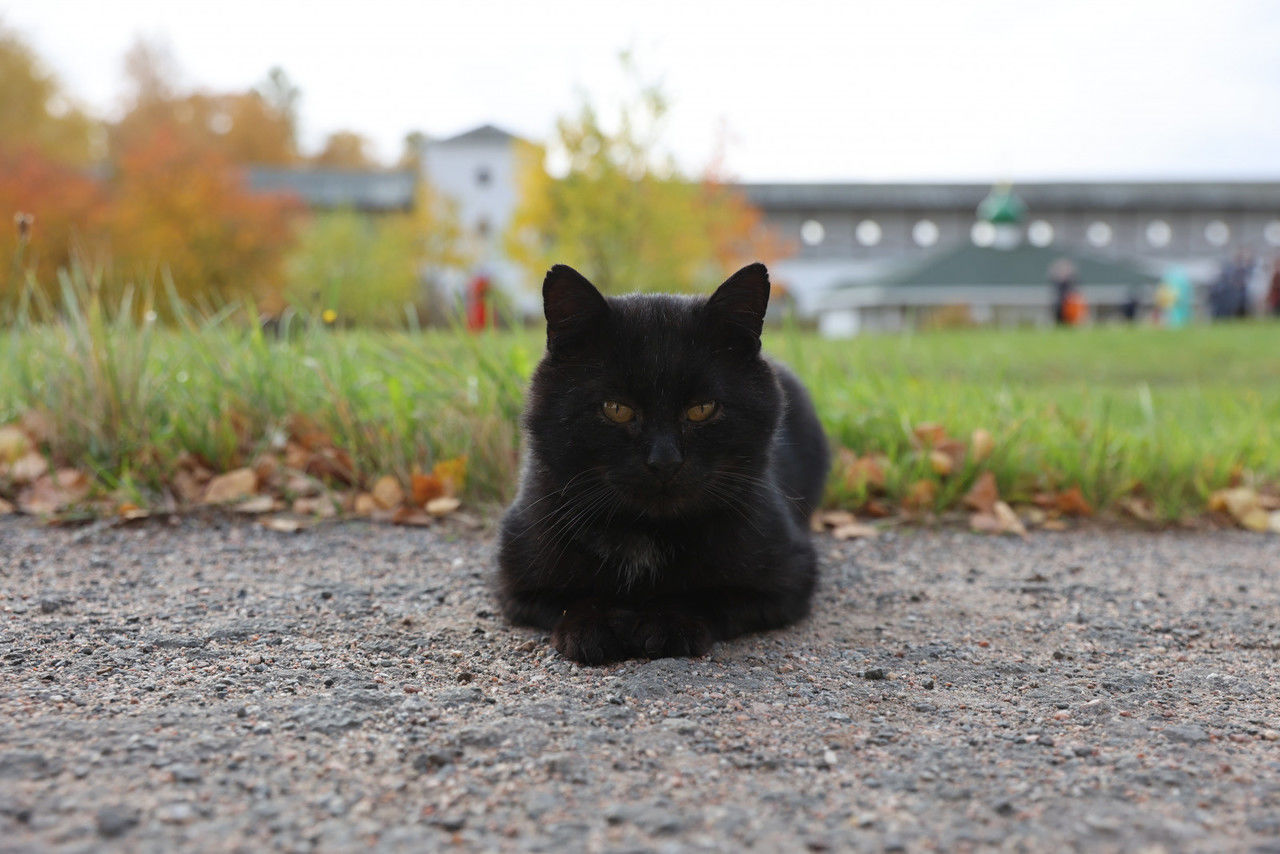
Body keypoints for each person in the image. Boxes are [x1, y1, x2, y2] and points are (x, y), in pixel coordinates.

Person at [1049, 258, 1078, 325]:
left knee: (1068, 321)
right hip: (1059, 304)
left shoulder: (1070, 280)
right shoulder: (1057, 281)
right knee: (1058, 320)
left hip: (1068, 304)